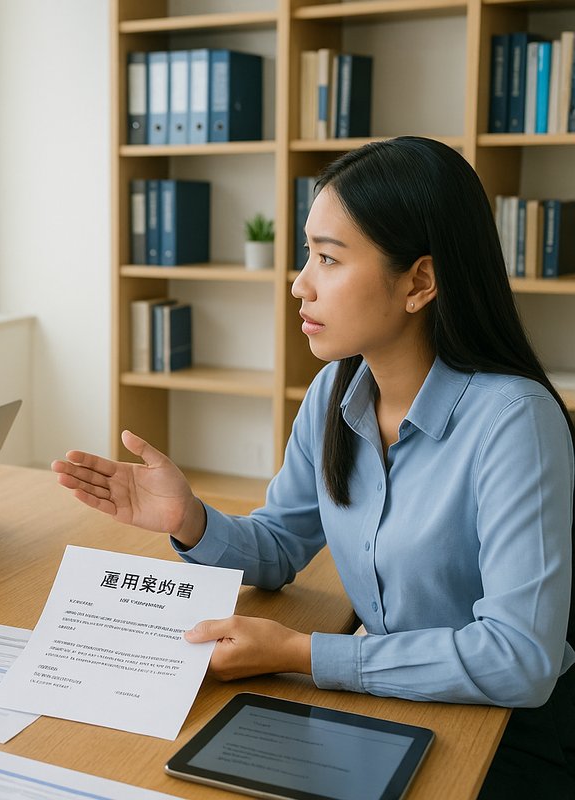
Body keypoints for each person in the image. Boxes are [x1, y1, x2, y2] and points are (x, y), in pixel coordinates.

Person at [52, 137, 574, 796]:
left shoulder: (513, 422)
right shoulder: (334, 394)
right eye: (307, 253)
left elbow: (519, 659)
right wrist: (190, 521)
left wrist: (302, 653)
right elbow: (280, 546)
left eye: (328, 258)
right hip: (386, 705)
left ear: (419, 281)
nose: (300, 283)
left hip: (504, 737)